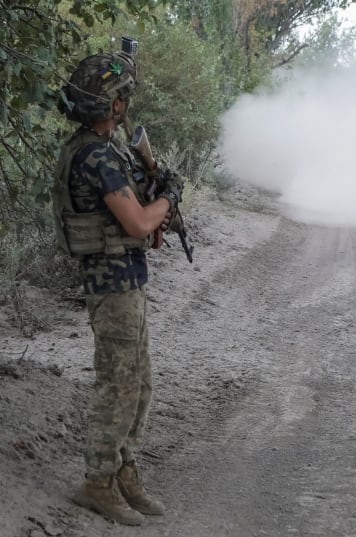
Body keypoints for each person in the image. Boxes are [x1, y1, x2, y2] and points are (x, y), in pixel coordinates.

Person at [53, 47, 181, 525]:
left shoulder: (101, 149)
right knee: (119, 385)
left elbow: (148, 232)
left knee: (140, 382)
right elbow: (136, 222)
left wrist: (157, 206)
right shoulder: (96, 156)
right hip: (111, 284)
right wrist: (168, 196)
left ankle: (124, 470)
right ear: (115, 106)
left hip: (123, 278)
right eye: (123, 97)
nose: (126, 104)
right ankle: (97, 481)